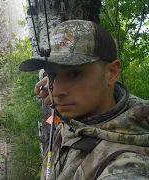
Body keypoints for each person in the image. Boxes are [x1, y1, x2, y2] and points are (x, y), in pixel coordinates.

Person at [19, 20, 149, 180]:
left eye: (74, 74)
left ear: (112, 72)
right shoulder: (81, 116)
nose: (57, 91)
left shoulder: (127, 166)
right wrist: (54, 78)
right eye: (52, 75)